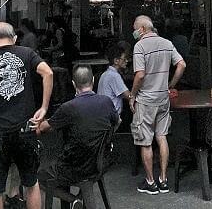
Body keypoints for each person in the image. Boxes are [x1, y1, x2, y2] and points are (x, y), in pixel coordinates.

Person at [0, 22, 54, 209]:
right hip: (25, 130)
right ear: (14, 39)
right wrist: (44, 107)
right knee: (31, 183)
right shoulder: (27, 54)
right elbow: (48, 72)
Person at [37, 65, 118, 194]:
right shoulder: (107, 102)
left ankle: (72, 199)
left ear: (74, 84)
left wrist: (40, 119)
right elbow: (116, 122)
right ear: (93, 80)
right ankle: (81, 198)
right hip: (101, 163)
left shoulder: (68, 108)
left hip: (74, 167)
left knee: (40, 176)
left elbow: (43, 128)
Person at [129, 15, 186, 195]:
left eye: (135, 28)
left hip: (146, 101)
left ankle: (151, 182)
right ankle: (163, 180)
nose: (134, 32)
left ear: (143, 29)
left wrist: (132, 95)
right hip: (163, 99)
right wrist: (170, 85)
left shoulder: (139, 46)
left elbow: (139, 75)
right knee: (162, 137)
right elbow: (182, 64)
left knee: (145, 141)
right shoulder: (167, 43)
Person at [97, 42, 131, 119]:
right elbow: (128, 95)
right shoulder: (114, 76)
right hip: (111, 116)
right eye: (124, 58)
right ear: (116, 61)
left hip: (104, 114)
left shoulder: (106, 74)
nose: (127, 61)